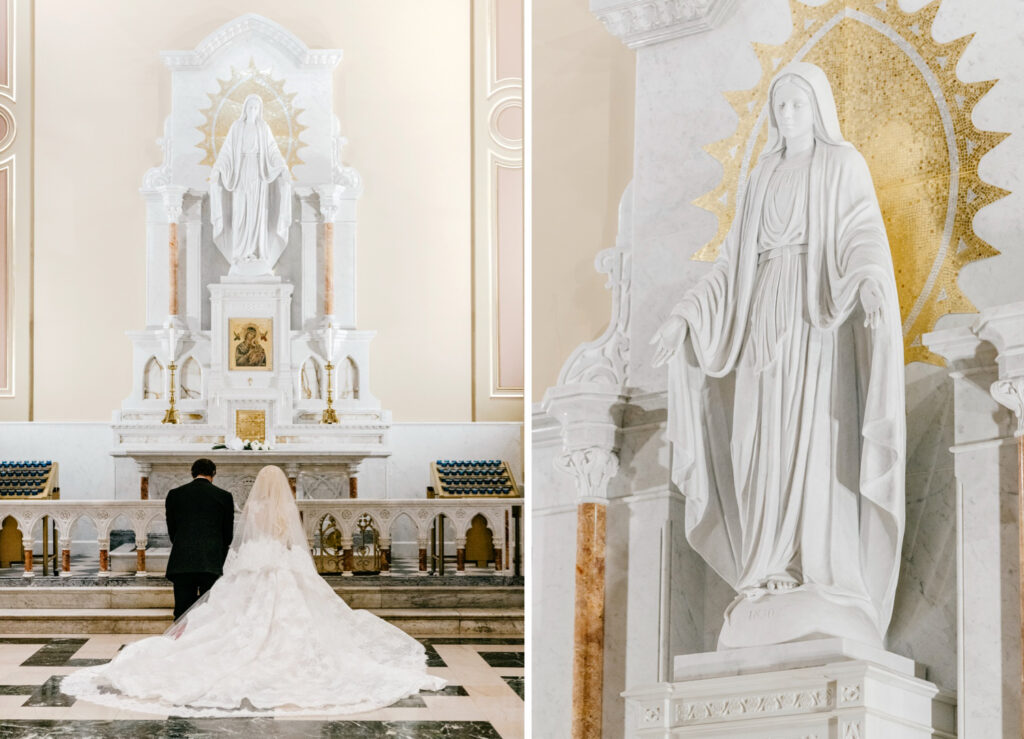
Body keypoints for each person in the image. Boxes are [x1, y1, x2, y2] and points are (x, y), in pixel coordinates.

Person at [650, 62, 905, 649]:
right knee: (757, 443)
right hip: (762, 314)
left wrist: (870, 283)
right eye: (780, 105)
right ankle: (768, 564)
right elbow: (730, 264)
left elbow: (862, 232)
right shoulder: (760, 176)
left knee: (813, 441)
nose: (788, 115)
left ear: (818, 110)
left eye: (798, 104)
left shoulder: (841, 164)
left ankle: (819, 570)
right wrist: (685, 314)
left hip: (818, 321)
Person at [62, 465, 445, 716]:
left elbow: (239, 538)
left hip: (251, 560)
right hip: (281, 561)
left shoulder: (252, 508)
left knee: (226, 615)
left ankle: (187, 642)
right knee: (299, 615)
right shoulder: (277, 509)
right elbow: (285, 540)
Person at [210, 93, 292, 274]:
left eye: (256, 108)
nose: (253, 110)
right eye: (250, 107)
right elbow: (227, 151)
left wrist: (283, 167)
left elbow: (272, 151)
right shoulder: (237, 127)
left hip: (259, 175)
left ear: (259, 110)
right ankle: (240, 255)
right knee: (241, 213)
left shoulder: (263, 128)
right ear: (245, 109)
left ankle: (257, 253)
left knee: (257, 214)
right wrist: (218, 169)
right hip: (240, 174)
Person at [164, 458, 234, 620]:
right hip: (211, 560)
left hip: (182, 560)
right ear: (213, 473)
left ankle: (182, 635)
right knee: (209, 611)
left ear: (192, 473)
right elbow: (227, 534)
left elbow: (172, 529)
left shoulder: (175, 494)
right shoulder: (224, 496)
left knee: (182, 611)